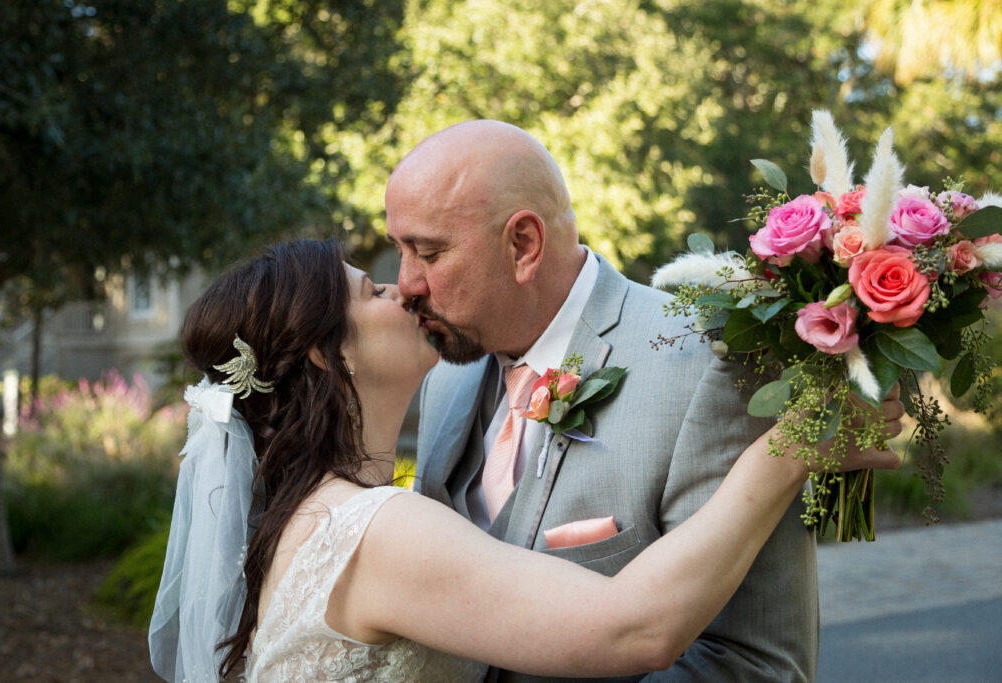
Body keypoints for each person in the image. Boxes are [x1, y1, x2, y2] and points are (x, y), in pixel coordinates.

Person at [148, 239, 902, 682]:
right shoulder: (373, 530)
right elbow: (633, 628)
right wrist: (789, 449)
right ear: (326, 351)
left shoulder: (302, 519)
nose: (404, 288)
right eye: (372, 289)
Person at [387, 119, 828, 682]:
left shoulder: (706, 365)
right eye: (401, 249)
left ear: (523, 244)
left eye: (428, 252)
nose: (405, 283)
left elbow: (756, 663)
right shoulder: (448, 373)